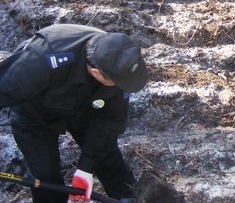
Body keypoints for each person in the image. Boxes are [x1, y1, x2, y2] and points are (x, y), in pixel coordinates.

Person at [0, 23, 149, 203]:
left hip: (84, 106)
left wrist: (85, 169)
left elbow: (111, 121)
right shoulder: (41, 61)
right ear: (96, 73)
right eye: (118, 83)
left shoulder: (117, 62)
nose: (122, 86)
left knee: (105, 154)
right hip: (34, 111)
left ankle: (127, 199)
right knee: (44, 173)